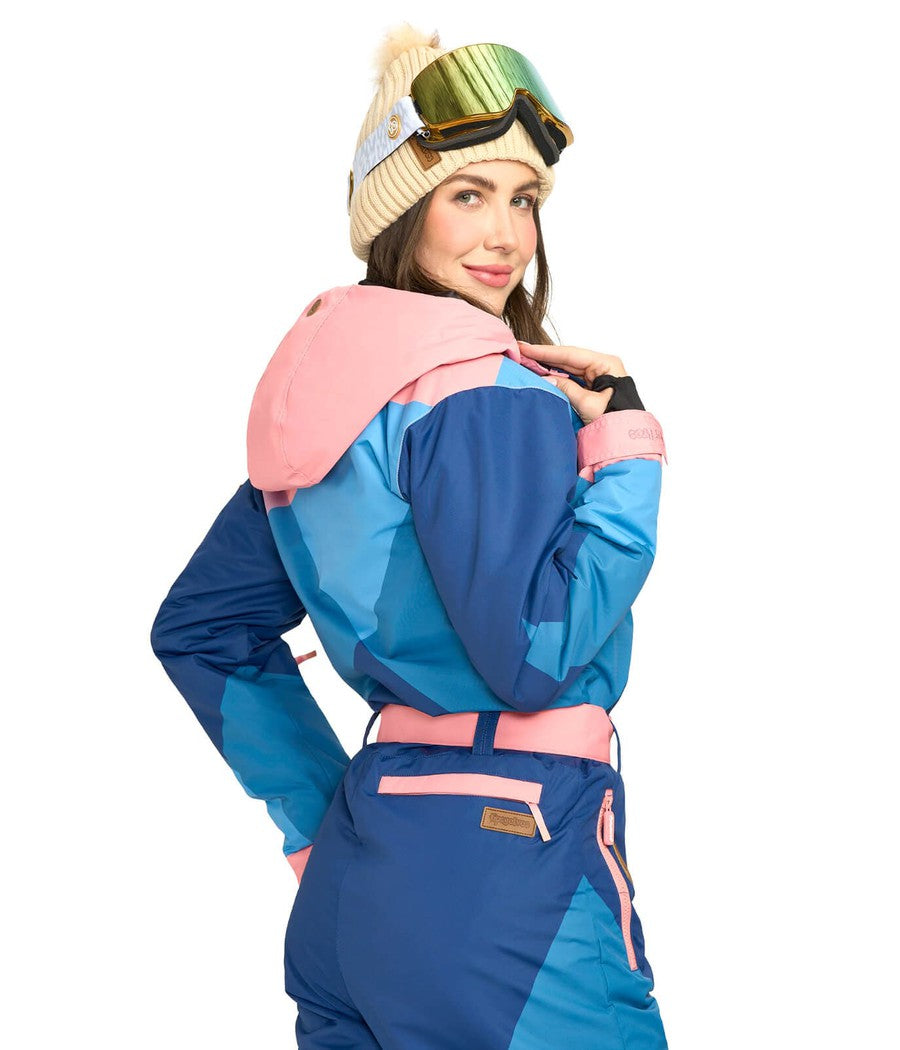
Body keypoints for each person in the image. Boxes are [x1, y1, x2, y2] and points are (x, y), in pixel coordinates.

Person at [150, 23, 669, 1050]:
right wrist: (629, 451)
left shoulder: (323, 407)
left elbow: (200, 632)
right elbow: (533, 656)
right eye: (468, 195)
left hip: (359, 879)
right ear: (401, 209)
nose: (506, 235)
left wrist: (325, 817)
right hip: (511, 876)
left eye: (524, 199)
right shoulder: (487, 390)